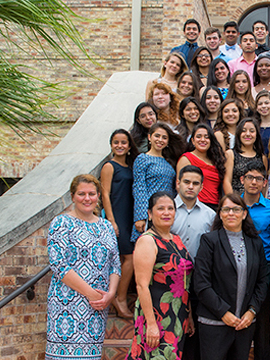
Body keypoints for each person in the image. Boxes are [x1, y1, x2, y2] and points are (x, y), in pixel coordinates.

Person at [46, 174, 121, 360]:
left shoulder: (106, 227)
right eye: (81, 194)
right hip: (67, 306)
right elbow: (59, 265)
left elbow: (115, 264)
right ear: (72, 196)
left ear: (98, 197)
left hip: (97, 306)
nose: (87, 198)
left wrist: (110, 294)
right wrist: (90, 293)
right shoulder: (61, 223)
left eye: (92, 194)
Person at [194, 194, 270, 360]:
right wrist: (223, 312)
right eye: (226, 209)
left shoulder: (255, 242)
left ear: (244, 214)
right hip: (214, 323)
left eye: (236, 209)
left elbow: (263, 280)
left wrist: (252, 311)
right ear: (220, 214)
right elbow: (201, 284)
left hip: (244, 324)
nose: (231, 213)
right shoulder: (209, 241)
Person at [127, 192, 194, 360]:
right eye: (160, 208)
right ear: (150, 213)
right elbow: (141, 285)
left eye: (170, 208)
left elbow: (184, 280)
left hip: (178, 314)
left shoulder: (176, 239)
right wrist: (151, 323)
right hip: (157, 315)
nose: (166, 212)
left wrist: (189, 314)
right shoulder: (148, 241)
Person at [171, 165, 216, 360]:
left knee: (194, 335)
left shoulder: (210, 215)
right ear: (178, 183)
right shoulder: (166, 210)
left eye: (195, 183)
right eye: (186, 182)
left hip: (199, 281)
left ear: (201, 186)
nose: (191, 186)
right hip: (169, 284)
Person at [240, 163, 270, 360]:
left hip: (265, 270)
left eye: (258, 179)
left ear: (264, 183)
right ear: (242, 180)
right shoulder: (232, 206)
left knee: (262, 327)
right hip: (238, 269)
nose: (253, 182)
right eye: (249, 177)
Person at [101, 130, 139, 319]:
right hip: (118, 216)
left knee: (129, 258)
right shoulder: (109, 166)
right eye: (116, 142)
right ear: (111, 145)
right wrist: (111, 220)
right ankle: (119, 298)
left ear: (129, 146)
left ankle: (119, 296)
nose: (120, 146)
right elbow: (105, 193)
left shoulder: (132, 166)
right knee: (129, 257)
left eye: (123, 142)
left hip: (131, 216)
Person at [132, 123, 186, 242]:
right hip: (149, 213)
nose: (160, 140)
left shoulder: (169, 162)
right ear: (149, 137)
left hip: (166, 213)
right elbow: (139, 188)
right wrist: (140, 217)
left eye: (164, 138)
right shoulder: (142, 159)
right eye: (157, 136)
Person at [177, 124, 226, 210]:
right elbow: (179, 186)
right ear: (192, 140)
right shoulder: (187, 158)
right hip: (195, 206)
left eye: (206, 137)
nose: (203, 140)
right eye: (199, 137)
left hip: (215, 208)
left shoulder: (216, 161)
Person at [223, 118, 268, 194]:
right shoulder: (230, 154)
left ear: (257, 134)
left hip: (255, 201)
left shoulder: (262, 157)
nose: (247, 134)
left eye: (252, 131)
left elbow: (263, 184)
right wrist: (233, 202)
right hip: (236, 199)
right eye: (243, 131)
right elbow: (226, 181)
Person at [255, 90, 270, 155]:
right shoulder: (254, 127)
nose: (263, 106)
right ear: (256, 108)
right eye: (260, 104)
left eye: (266, 103)